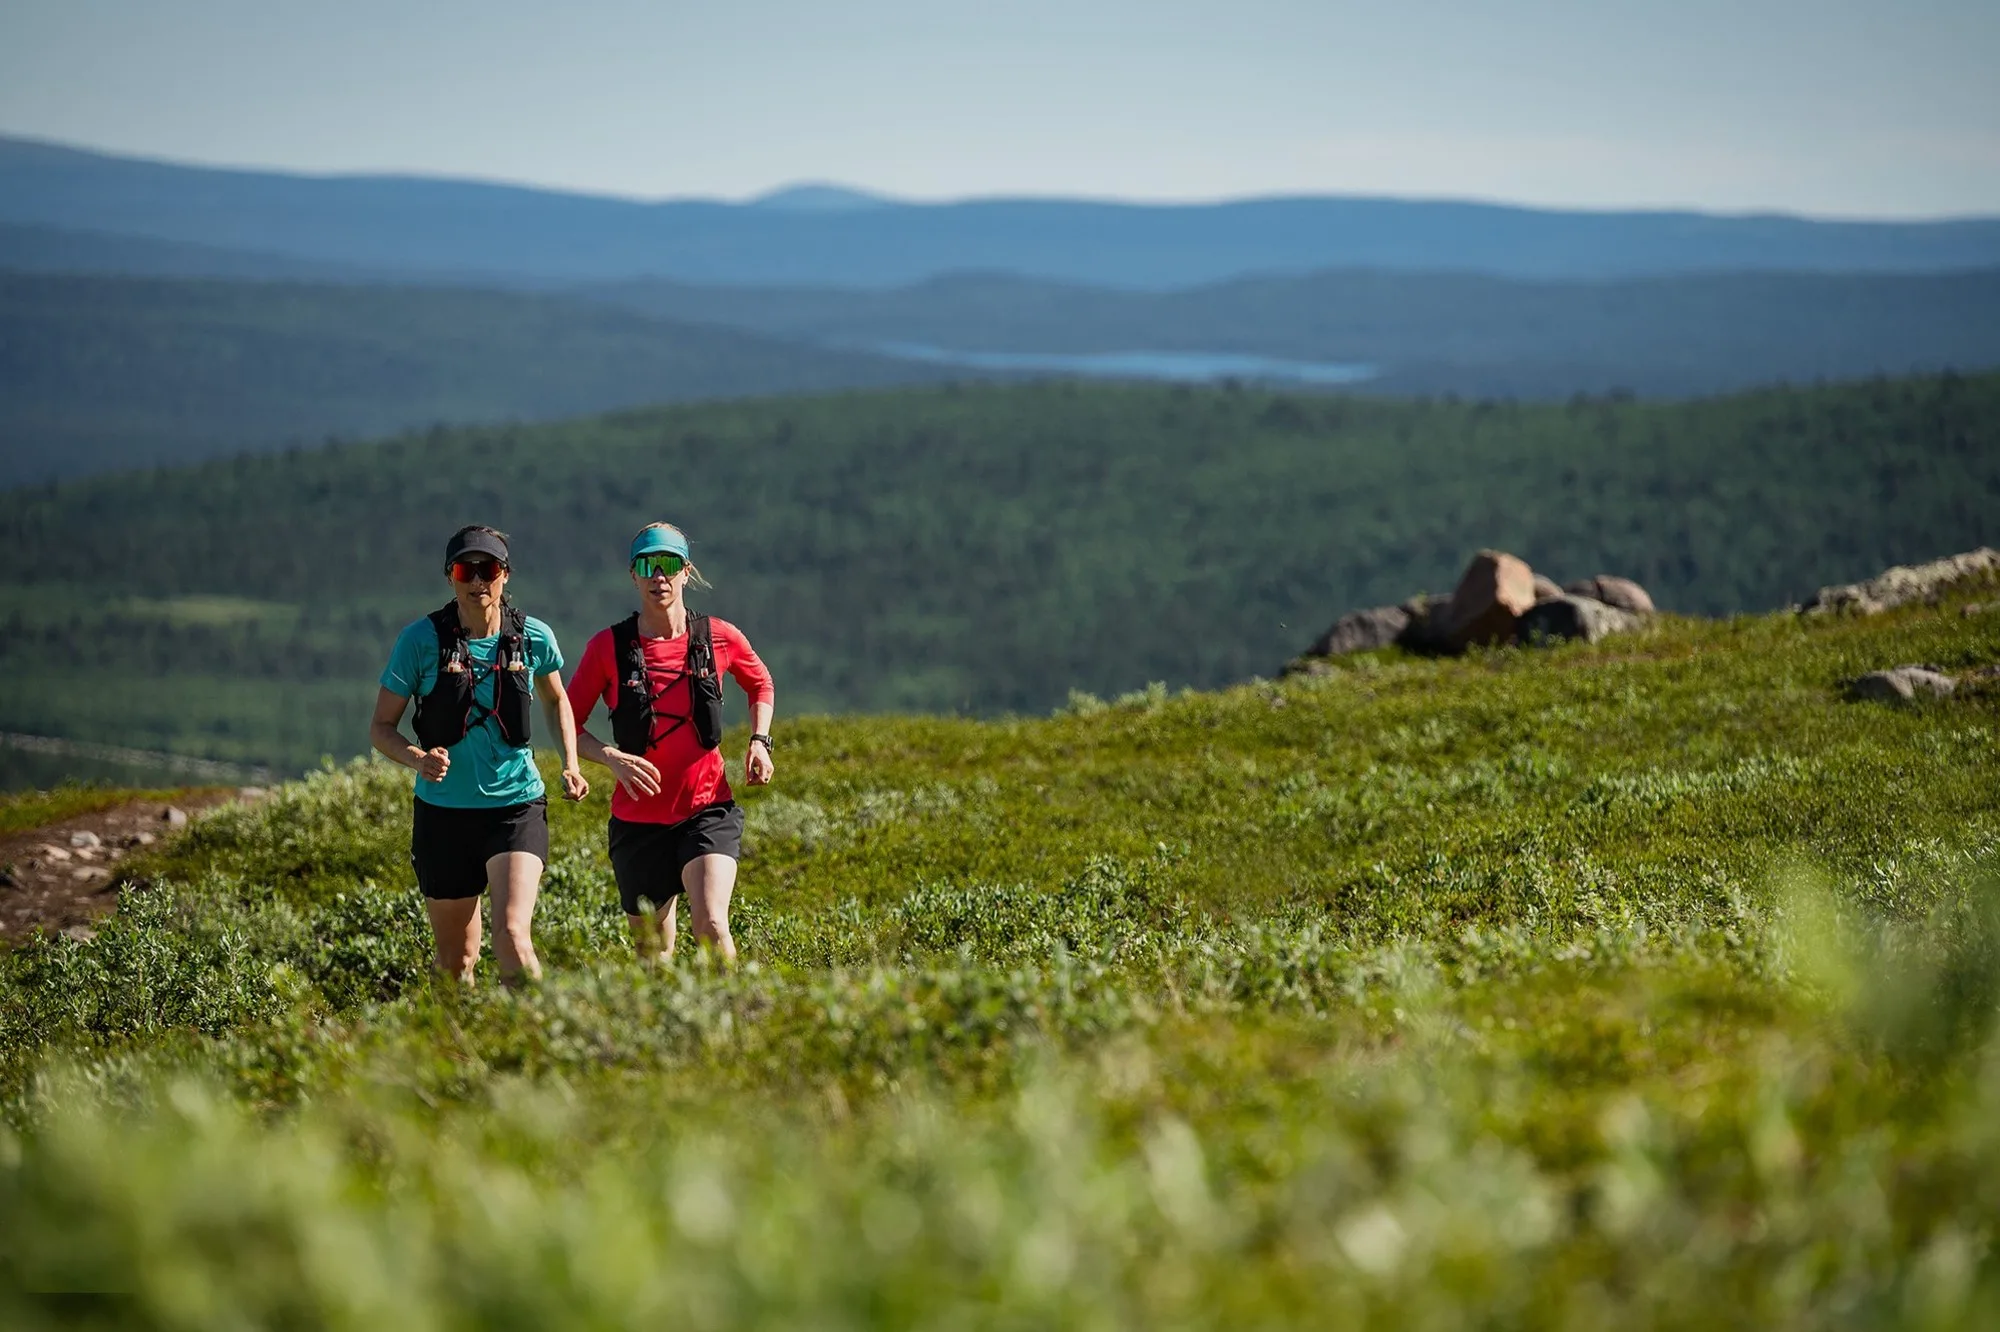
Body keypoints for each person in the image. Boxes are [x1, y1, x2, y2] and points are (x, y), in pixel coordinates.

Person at [369, 525, 588, 985]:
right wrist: (417, 759)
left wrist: (570, 761)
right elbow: (381, 728)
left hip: (516, 808)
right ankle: (459, 1049)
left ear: (505, 575)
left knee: (512, 934)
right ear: (450, 576)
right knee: (457, 961)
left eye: (487, 569)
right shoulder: (419, 642)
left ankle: (536, 1045)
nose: (477, 582)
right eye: (465, 570)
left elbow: (556, 699)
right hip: (444, 814)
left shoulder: (534, 637)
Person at [567, 522, 774, 965]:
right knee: (653, 955)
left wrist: (760, 741)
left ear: (686, 572)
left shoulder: (719, 636)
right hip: (638, 822)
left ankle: (738, 1027)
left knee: (713, 925)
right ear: (634, 575)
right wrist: (609, 757)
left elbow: (761, 685)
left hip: (707, 809)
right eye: (647, 565)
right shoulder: (608, 647)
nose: (658, 575)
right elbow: (569, 721)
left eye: (668, 564)